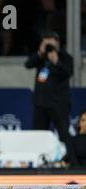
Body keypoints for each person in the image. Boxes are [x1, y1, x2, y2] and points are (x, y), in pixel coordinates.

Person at [24, 31, 75, 164]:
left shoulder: (65, 57)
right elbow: (28, 64)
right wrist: (41, 52)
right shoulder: (41, 58)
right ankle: (40, 161)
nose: (49, 46)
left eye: (51, 42)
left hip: (59, 104)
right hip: (41, 103)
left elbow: (68, 72)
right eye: (46, 42)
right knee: (39, 135)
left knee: (64, 134)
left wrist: (56, 61)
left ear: (57, 43)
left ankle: (72, 162)